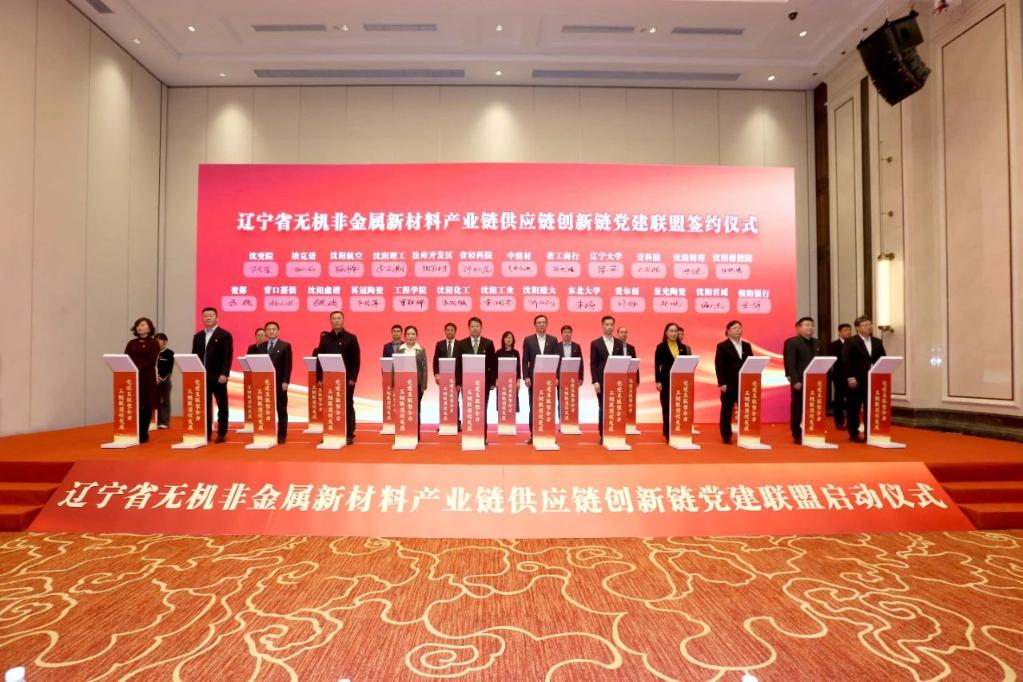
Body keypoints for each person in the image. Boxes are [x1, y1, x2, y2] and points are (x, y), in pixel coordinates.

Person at [314, 311, 361, 444]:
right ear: (330, 321)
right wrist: (319, 378)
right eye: (334, 318)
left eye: (339, 318)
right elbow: (319, 359)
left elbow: (356, 360)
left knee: (347, 405)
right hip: (329, 379)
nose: (337, 320)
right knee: (331, 405)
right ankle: (331, 432)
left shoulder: (351, 338)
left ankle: (349, 433)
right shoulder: (325, 338)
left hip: (346, 379)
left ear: (343, 320)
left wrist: (353, 378)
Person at [191, 307, 233, 442]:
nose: (208, 318)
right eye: (205, 316)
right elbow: (194, 356)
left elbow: (227, 356)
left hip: (218, 376)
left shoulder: (224, 335)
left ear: (217, 318)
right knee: (204, 406)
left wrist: (224, 373)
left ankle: (222, 432)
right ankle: (206, 432)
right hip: (202, 377)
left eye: (211, 315)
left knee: (222, 405)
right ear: (202, 318)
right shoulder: (198, 336)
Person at [842, 316, 886, 443]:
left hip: (874, 380)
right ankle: (853, 433)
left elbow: (883, 358)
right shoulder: (851, 341)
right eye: (865, 325)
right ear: (857, 328)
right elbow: (846, 360)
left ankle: (870, 433)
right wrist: (850, 377)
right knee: (854, 407)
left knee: (871, 407)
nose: (868, 327)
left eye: (869, 324)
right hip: (856, 380)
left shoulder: (877, 341)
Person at [454, 316, 497, 442]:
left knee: (482, 409)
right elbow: (458, 365)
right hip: (467, 384)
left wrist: (492, 382)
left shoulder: (488, 343)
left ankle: (483, 436)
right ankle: (469, 434)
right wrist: (458, 382)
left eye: (477, 326)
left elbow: (493, 364)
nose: (475, 329)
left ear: (481, 328)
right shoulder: (461, 344)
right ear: (469, 328)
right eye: (472, 326)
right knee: (469, 409)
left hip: (484, 383)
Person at [783, 317, 821, 444]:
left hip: (816, 381)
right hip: (800, 380)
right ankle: (797, 433)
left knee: (814, 407)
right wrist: (795, 380)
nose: (810, 327)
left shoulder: (817, 342)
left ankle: (813, 431)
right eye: (807, 325)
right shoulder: (793, 342)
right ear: (799, 328)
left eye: (812, 325)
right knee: (798, 408)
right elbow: (790, 362)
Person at [714, 320, 753, 444]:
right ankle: (726, 435)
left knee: (746, 409)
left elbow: (751, 362)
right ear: (728, 331)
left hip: (744, 383)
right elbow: (718, 365)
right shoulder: (722, 346)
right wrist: (722, 383)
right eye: (735, 328)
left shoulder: (747, 346)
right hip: (729, 384)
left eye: (739, 328)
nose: (738, 330)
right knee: (727, 410)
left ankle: (747, 433)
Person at [654, 322, 691, 442]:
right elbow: (657, 365)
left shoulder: (683, 347)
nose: (674, 333)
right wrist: (658, 381)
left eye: (675, 331)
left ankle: (679, 430)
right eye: (671, 331)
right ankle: (667, 433)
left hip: (680, 382)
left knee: (679, 407)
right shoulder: (661, 347)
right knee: (667, 407)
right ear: (666, 333)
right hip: (666, 380)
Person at [590, 315, 625, 443]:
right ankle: (603, 434)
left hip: (616, 381)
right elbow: (593, 363)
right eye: (607, 324)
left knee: (616, 407)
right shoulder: (595, 343)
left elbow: (622, 362)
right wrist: (595, 381)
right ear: (602, 326)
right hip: (602, 381)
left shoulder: (619, 343)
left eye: (611, 324)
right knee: (603, 407)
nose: (609, 327)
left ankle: (615, 431)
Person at [522, 314, 556, 442]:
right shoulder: (528, 340)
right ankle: (533, 434)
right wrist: (526, 376)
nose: (541, 324)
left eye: (543, 322)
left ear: (546, 324)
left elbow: (556, 359)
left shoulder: (553, 340)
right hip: (533, 379)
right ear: (535, 325)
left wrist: (556, 377)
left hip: (548, 379)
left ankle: (549, 433)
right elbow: (525, 360)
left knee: (548, 406)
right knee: (534, 406)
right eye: (539, 322)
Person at [125, 317, 160, 444]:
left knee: (146, 405)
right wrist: (130, 370)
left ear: (149, 328)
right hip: (132, 378)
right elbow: (126, 358)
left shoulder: (153, 343)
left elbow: (151, 361)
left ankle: (143, 433)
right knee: (135, 405)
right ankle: (134, 431)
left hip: (146, 377)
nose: (140, 327)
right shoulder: (131, 343)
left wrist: (137, 369)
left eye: (143, 325)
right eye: (138, 325)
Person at [259, 321, 292, 444]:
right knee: (265, 409)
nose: (271, 331)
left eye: (274, 329)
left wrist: (286, 381)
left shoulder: (285, 346)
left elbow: (288, 366)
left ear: (278, 331)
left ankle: (282, 434)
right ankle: (266, 432)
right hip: (264, 384)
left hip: (279, 383)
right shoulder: (261, 346)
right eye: (269, 329)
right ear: (265, 332)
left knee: (281, 409)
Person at [397, 325, 428, 438]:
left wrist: (424, 384)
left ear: (416, 336)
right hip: (403, 385)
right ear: (405, 336)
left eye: (413, 334)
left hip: (417, 384)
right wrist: (395, 382)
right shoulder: (400, 349)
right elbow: (395, 366)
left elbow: (424, 368)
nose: (411, 336)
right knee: (403, 408)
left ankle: (415, 434)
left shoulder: (421, 349)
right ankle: (404, 432)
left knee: (415, 409)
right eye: (408, 334)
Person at [432, 322, 460, 429]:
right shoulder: (439, 344)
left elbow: (461, 363)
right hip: (443, 377)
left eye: (452, 330)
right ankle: (444, 422)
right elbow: (435, 361)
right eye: (448, 330)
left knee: (455, 400)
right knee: (444, 400)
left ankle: (456, 423)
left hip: (455, 378)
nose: (450, 332)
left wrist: (460, 380)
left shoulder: (460, 344)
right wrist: (436, 374)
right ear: (445, 331)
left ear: (455, 331)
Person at [557, 324, 584, 424]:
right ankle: (562, 422)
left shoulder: (576, 346)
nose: (567, 334)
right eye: (565, 332)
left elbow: (581, 362)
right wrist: (555, 377)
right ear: (561, 334)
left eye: (569, 332)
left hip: (573, 378)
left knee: (572, 400)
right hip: (560, 378)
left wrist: (580, 377)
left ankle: (572, 422)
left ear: (571, 333)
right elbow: (555, 363)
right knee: (561, 400)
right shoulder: (557, 346)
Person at [828, 323, 853, 429]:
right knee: (839, 400)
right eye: (845, 330)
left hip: (852, 377)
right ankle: (839, 422)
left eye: (849, 330)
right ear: (840, 332)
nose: (848, 332)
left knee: (852, 400)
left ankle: (851, 422)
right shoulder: (833, 345)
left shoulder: (854, 344)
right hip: (839, 376)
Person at [496, 330, 522, 417]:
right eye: (506, 337)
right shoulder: (498, 352)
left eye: (510, 337)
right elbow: (495, 368)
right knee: (502, 402)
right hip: (501, 381)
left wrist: (518, 382)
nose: (508, 339)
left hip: (512, 382)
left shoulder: (516, 353)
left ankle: (511, 421)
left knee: (512, 402)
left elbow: (518, 368)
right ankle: (502, 420)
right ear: (503, 339)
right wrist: (496, 381)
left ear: (513, 340)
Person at [154, 333, 174, 429]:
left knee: (164, 400)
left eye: (160, 339)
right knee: (155, 400)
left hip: (165, 379)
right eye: (156, 339)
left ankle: (164, 422)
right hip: (153, 379)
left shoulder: (169, 353)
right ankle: (155, 421)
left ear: (165, 341)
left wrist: (160, 378)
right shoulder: (152, 352)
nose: (157, 341)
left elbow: (168, 368)